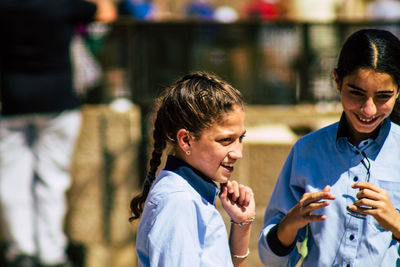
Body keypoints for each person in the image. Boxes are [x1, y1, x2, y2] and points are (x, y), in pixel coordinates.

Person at [258, 28, 400, 266]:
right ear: (337, 80)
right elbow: (271, 260)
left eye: (383, 97)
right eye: (356, 93)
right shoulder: (306, 151)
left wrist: (395, 222)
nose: (368, 110)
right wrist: (290, 223)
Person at [0, 1, 116, 267]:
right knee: (52, 179)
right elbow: (105, 13)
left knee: (11, 179)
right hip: (58, 100)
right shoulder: (61, 4)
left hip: (11, 99)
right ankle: (51, 252)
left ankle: (21, 250)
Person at [130, 72, 256, 266]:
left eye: (241, 139)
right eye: (225, 140)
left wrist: (242, 224)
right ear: (186, 140)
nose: (238, 153)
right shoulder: (179, 202)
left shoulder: (191, 196)